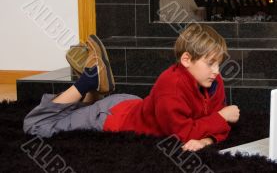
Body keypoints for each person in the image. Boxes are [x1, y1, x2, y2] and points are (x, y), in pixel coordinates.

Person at [23, 24, 240, 152]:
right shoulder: (171, 87)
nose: (217, 71)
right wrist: (221, 117)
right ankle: (87, 82)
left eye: (219, 64)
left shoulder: (213, 81)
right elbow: (182, 133)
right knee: (36, 125)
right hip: (110, 116)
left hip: (132, 104)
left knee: (71, 113)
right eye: (211, 63)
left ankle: (93, 92)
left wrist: (206, 140)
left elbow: (217, 127)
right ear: (186, 60)